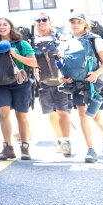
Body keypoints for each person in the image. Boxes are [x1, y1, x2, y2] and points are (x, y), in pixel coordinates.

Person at [61, 12, 103, 163]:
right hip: (77, 84)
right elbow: (63, 63)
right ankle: (90, 149)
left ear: (85, 24)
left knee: (97, 117)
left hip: (94, 82)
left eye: (79, 22)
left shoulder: (94, 40)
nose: (75, 24)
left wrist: (95, 74)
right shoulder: (65, 40)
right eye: (73, 22)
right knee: (83, 115)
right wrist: (63, 77)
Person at [0, 18, 37, 161]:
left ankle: (25, 147)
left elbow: (34, 62)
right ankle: (8, 148)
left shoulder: (21, 43)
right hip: (1, 84)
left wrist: (15, 55)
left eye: (5, 24)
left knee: (21, 115)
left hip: (21, 83)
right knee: (3, 113)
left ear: (11, 27)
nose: (1, 27)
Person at [32, 13, 73, 156]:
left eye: (44, 19)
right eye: (38, 20)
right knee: (52, 114)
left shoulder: (60, 37)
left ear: (50, 21)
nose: (41, 22)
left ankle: (66, 140)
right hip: (43, 81)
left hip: (62, 79)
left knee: (63, 111)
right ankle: (58, 140)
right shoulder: (32, 39)